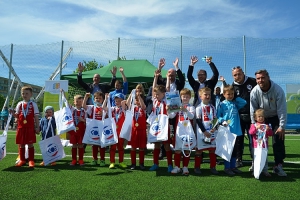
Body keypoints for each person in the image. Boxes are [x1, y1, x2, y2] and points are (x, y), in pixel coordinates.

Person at [250, 69, 287, 176]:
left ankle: (278, 165)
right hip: (261, 118)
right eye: (258, 78)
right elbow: (253, 109)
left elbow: (282, 109)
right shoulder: (254, 91)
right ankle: (257, 163)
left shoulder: (278, 90)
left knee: (278, 140)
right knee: (258, 142)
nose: (260, 80)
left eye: (263, 78)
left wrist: (281, 126)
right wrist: (254, 124)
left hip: (275, 117)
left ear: (268, 77)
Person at [223, 66, 257, 168]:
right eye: (235, 75)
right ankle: (238, 159)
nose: (237, 76)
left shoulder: (253, 81)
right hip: (238, 117)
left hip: (253, 116)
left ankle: (255, 159)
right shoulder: (232, 86)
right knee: (238, 139)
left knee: (253, 139)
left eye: (239, 73)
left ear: (243, 72)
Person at [217, 85, 246, 176]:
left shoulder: (235, 103)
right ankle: (227, 167)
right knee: (227, 149)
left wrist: (236, 97)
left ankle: (233, 167)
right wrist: (223, 121)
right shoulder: (222, 104)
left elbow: (244, 102)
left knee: (235, 150)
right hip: (227, 131)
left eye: (232, 94)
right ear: (224, 94)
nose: (230, 95)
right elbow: (218, 116)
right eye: (228, 94)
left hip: (236, 130)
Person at [149, 68, 173, 172]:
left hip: (164, 125)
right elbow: (154, 88)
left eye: (158, 94)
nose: (156, 95)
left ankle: (169, 165)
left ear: (163, 94)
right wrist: (155, 77)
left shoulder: (166, 100)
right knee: (156, 145)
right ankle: (155, 164)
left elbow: (167, 88)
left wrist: (167, 77)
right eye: (155, 94)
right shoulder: (155, 101)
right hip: (156, 124)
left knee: (167, 146)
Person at [168, 88, 195, 175]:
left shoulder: (191, 107)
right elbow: (171, 116)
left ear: (190, 97)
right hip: (179, 131)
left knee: (187, 150)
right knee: (178, 150)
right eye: (183, 96)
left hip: (188, 132)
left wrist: (185, 110)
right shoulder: (177, 106)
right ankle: (177, 167)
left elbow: (191, 117)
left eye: (187, 97)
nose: (185, 98)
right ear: (180, 97)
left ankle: (185, 167)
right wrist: (168, 109)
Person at [13, 86, 40, 167]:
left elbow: (36, 117)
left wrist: (37, 127)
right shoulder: (19, 104)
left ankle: (31, 160)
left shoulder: (33, 104)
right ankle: (22, 160)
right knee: (21, 144)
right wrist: (13, 115)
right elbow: (17, 116)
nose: (24, 95)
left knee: (30, 143)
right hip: (21, 127)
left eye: (26, 93)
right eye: (23, 93)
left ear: (31, 94)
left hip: (30, 127)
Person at [194, 87, 218, 175]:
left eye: (209, 94)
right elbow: (198, 120)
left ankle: (213, 167)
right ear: (200, 96)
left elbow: (215, 119)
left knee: (212, 150)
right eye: (205, 94)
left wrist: (215, 128)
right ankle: (197, 167)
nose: (208, 96)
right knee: (199, 150)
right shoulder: (199, 107)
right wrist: (204, 131)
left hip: (211, 132)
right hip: (202, 132)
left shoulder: (212, 107)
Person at [83, 91, 107, 166]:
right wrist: (86, 97)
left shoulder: (104, 108)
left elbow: (107, 117)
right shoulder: (92, 107)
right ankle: (94, 159)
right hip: (94, 128)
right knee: (94, 145)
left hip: (102, 128)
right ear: (94, 99)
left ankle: (102, 160)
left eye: (100, 98)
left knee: (102, 145)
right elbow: (84, 106)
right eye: (96, 98)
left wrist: (103, 114)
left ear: (102, 99)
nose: (98, 100)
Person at [103, 93, 127, 169]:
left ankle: (121, 162)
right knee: (112, 148)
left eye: (119, 100)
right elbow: (103, 108)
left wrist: (124, 102)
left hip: (120, 131)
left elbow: (126, 104)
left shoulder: (124, 109)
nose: (118, 102)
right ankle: (112, 162)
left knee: (121, 148)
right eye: (116, 101)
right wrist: (106, 99)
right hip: (113, 131)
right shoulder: (112, 109)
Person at [126, 89, 147, 170]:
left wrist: (139, 96)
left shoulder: (143, 108)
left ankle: (141, 163)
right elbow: (127, 103)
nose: (137, 101)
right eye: (136, 100)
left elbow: (143, 106)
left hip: (141, 130)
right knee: (133, 147)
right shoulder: (132, 108)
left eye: (139, 100)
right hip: (134, 130)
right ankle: (133, 164)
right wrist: (132, 94)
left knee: (141, 148)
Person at [249, 109, 273, 177]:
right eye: (259, 116)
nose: (261, 118)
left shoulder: (267, 125)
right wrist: (256, 128)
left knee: (265, 158)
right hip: (256, 146)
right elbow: (251, 132)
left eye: (262, 116)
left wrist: (268, 130)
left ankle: (265, 170)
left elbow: (270, 134)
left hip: (264, 146)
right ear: (255, 118)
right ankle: (255, 171)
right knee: (255, 158)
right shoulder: (254, 125)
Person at [68, 95, 86, 166]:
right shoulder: (72, 110)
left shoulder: (84, 111)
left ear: (82, 102)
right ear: (74, 102)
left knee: (81, 145)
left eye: (80, 101)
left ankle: (81, 160)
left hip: (81, 131)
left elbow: (88, 121)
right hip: (74, 131)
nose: (78, 103)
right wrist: (62, 94)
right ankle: (74, 160)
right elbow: (66, 103)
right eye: (76, 101)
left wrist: (83, 120)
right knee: (74, 145)